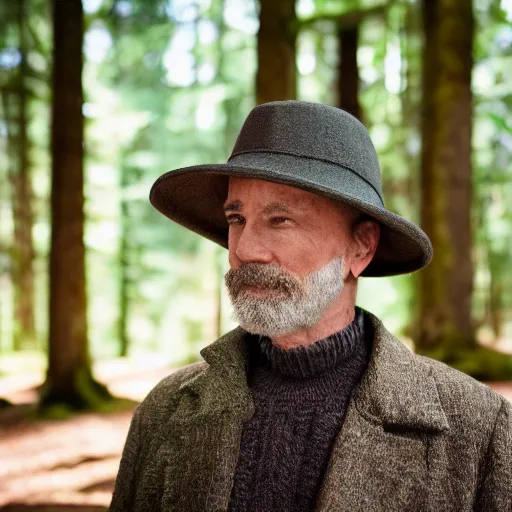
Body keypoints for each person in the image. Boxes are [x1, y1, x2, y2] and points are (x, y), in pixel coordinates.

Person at [109, 101, 511, 511]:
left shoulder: (479, 431)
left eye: (280, 220)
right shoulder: (163, 413)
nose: (245, 250)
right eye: (236, 219)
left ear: (361, 246)